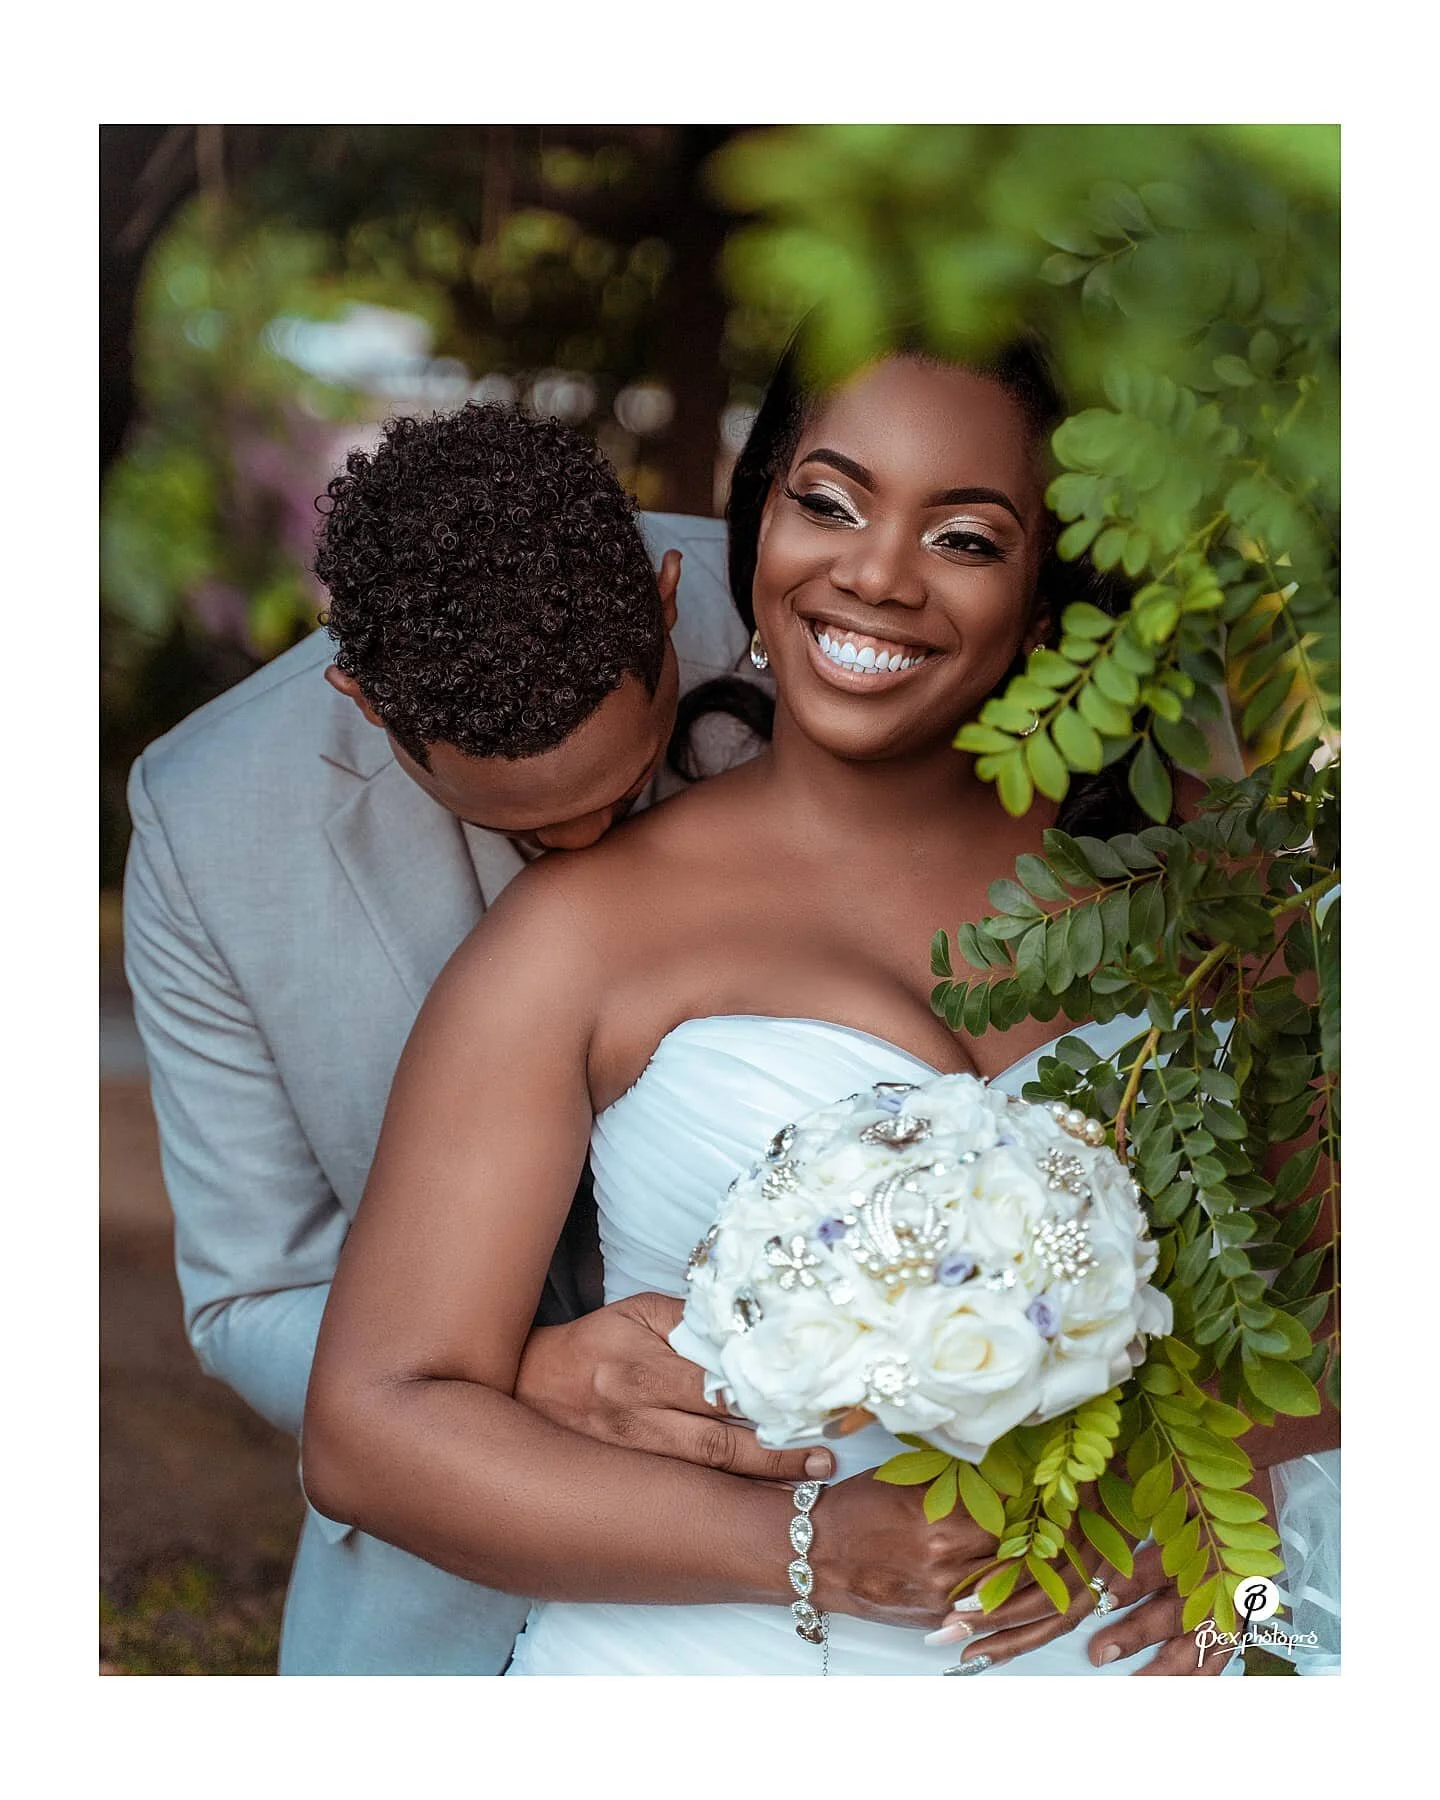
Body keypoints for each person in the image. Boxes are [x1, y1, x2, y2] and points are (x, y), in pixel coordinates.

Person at [302, 336, 1340, 1674]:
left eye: (966, 536)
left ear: (1045, 595)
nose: (877, 572)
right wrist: (806, 1548)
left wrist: (1224, 1545)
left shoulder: (1212, 882)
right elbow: (374, 1425)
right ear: (759, 521)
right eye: (829, 503)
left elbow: (1349, 1314)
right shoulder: (576, 938)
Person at [122, 401, 817, 1678]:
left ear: (669, 603)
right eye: (531, 836)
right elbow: (250, 1295)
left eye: (624, 791)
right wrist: (517, 1375)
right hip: (449, 1589)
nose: (592, 862)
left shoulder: (816, 612)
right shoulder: (207, 817)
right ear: (364, 703)